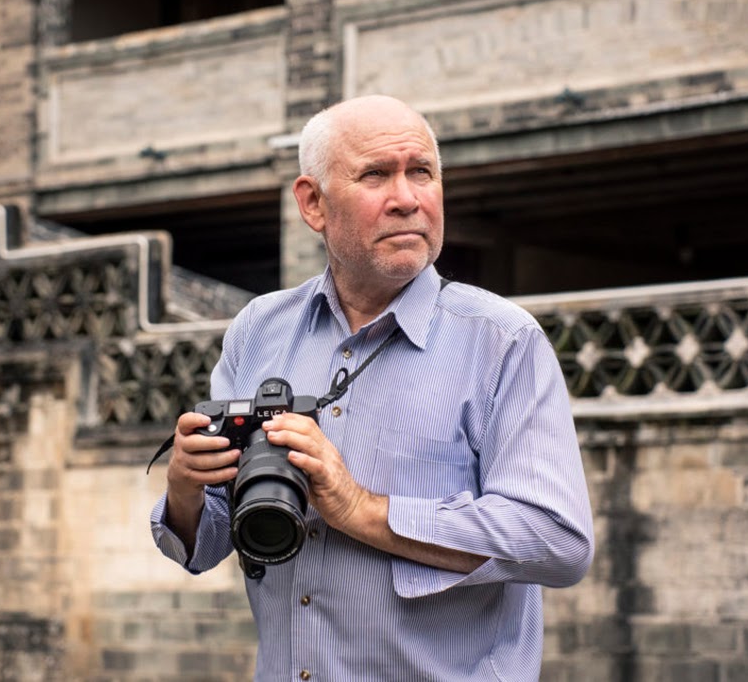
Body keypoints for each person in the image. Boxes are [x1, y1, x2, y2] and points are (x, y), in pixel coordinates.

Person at [151, 94, 594, 681]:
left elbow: (557, 541)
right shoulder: (259, 330)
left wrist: (361, 510)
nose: (407, 198)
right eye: (376, 175)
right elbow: (206, 542)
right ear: (313, 203)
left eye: (422, 173)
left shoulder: (503, 340)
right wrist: (186, 485)